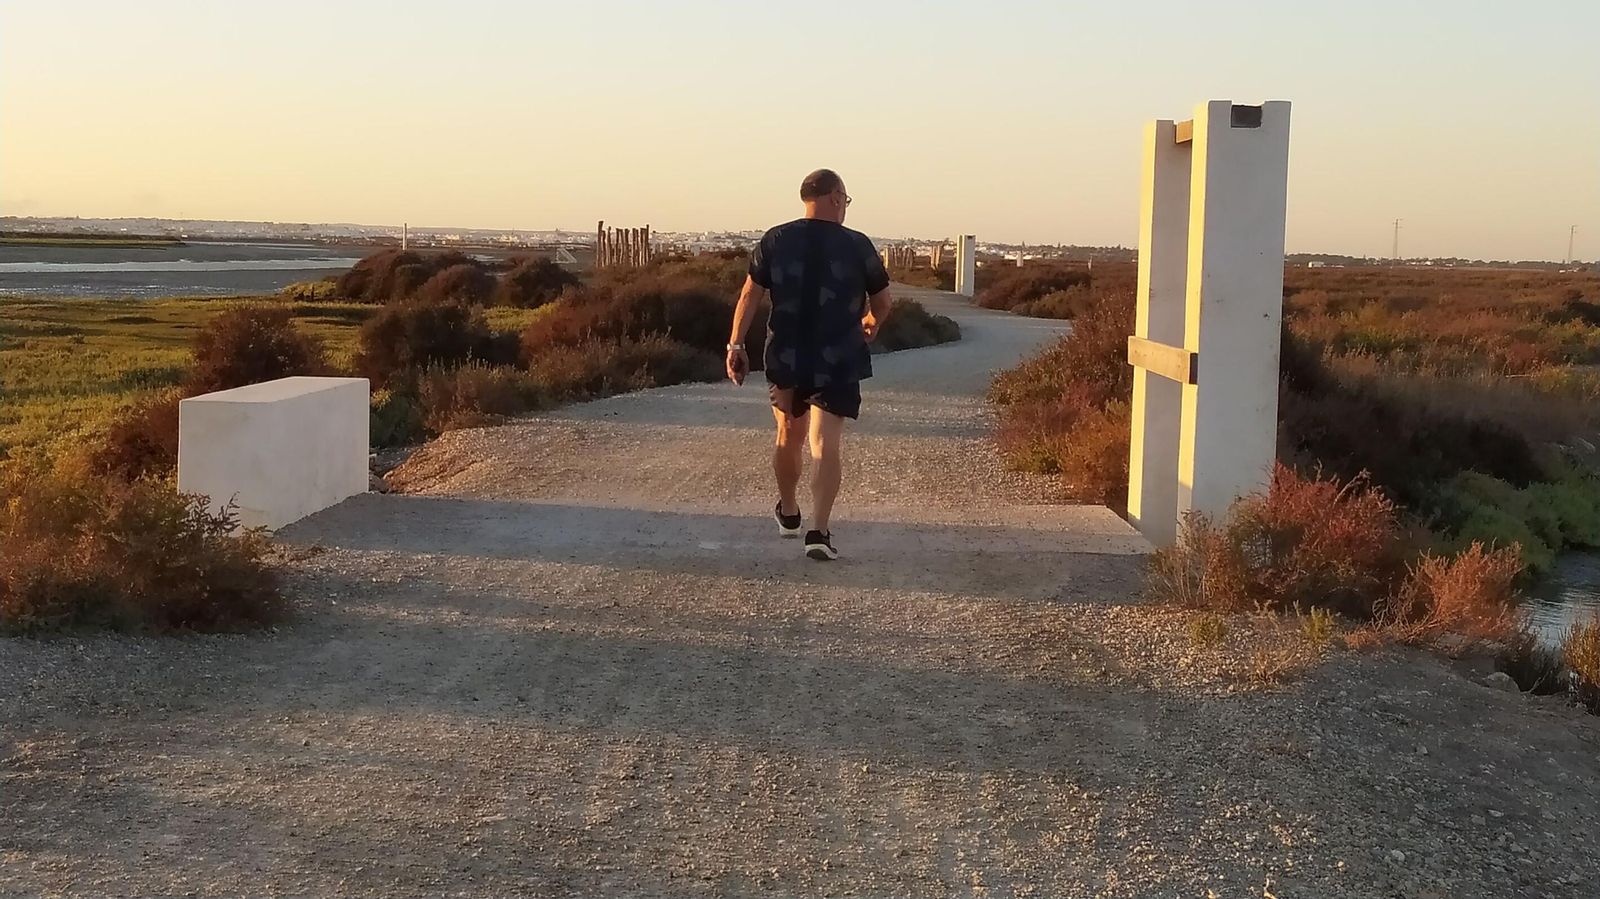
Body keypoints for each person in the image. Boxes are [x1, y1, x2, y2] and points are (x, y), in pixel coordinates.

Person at [726, 168, 894, 561]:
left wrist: (736, 344)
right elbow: (884, 301)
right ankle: (818, 531)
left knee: (789, 434)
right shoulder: (857, 245)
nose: (845, 207)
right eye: (846, 200)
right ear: (835, 197)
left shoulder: (776, 239)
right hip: (839, 354)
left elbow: (750, 294)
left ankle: (788, 510)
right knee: (825, 443)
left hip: (786, 352)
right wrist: (871, 323)